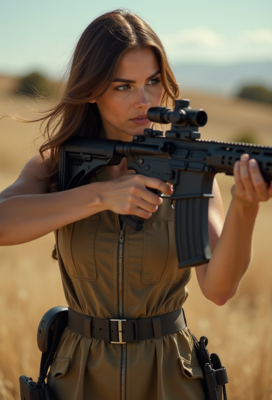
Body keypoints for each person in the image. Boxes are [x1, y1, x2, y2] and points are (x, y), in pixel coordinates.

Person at [0, 9, 272, 400]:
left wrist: (245, 208)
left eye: (153, 82)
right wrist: (99, 196)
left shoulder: (189, 170)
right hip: (79, 375)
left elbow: (219, 288)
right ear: (93, 90)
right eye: (123, 86)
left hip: (170, 377)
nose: (144, 102)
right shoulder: (59, 165)